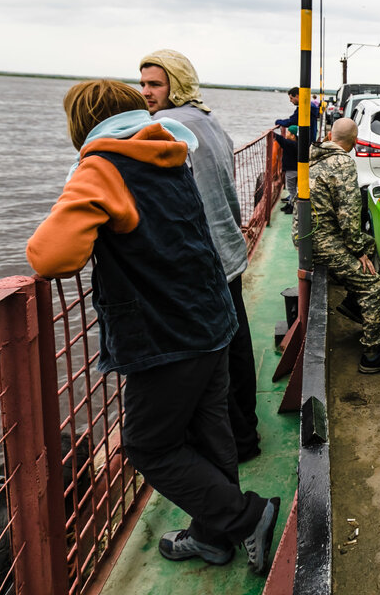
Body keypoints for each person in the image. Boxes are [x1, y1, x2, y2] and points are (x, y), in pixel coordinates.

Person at [26, 79, 279, 573]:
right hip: (212, 316)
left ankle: (246, 517)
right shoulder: (169, 148)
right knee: (211, 432)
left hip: (166, 335)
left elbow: (51, 256)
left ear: (82, 124)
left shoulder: (100, 166)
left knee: (148, 444)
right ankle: (212, 537)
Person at [138, 49, 260, 462]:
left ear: (177, 82)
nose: (146, 92)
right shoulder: (209, 121)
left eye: (155, 83)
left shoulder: (162, 128)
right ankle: (247, 434)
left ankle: (231, 443)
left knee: (212, 361)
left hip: (201, 259)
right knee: (238, 345)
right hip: (229, 250)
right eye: (143, 84)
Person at [307, 117, 380, 374]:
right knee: (374, 284)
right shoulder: (343, 163)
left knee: (366, 251)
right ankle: (372, 354)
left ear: (330, 135)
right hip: (322, 240)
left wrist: (360, 248)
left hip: (308, 234)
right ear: (354, 142)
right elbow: (349, 218)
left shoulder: (314, 155)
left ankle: (353, 301)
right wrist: (359, 250)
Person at [273, 87, 320, 215]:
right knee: (299, 179)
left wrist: (279, 122)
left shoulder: (304, 107)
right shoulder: (309, 107)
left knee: (294, 181)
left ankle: (295, 202)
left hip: (305, 142)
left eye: (291, 98)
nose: (290, 100)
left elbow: (291, 121)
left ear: (298, 96)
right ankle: (294, 199)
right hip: (309, 140)